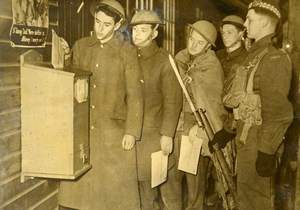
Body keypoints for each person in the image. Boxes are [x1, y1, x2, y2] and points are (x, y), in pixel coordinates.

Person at [58, 0, 143, 209]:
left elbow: (135, 95)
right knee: (81, 197)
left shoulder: (127, 52)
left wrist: (131, 131)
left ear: (117, 25)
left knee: (112, 197)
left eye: (106, 24)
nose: (100, 28)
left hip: (113, 133)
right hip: (84, 130)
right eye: (97, 22)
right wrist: (65, 57)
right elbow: (71, 82)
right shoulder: (81, 46)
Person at [210, 0, 293, 209]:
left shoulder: (274, 58)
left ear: (265, 23)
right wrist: (228, 131)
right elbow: (246, 98)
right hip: (246, 138)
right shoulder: (254, 56)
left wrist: (266, 150)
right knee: (246, 198)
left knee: (256, 201)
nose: (245, 24)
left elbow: (278, 113)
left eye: (249, 19)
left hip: (259, 139)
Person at [129, 10, 183, 210]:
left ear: (154, 33)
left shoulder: (165, 61)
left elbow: (173, 101)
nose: (137, 34)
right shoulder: (129, 56)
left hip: (157, 138)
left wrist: (167, 134)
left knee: (167, 192)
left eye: (143, 30)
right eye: (134, 30)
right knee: (143, 193)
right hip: (135, 137)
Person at [175, 20, 225, 210]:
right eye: (191, 39)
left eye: (199, 42)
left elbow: (212, 104)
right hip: (179, 122)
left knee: (194, 176)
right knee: (177, 174)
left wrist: (202, 126)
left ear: (207, 47)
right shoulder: (182, 58)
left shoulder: (211, 65)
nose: (193, 44)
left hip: (196, 125)